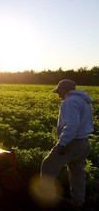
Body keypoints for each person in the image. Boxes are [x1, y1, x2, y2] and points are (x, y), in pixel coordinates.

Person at [40, 79, 93, 209]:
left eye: (59, 91)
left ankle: (47, 198)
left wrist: (62, 143)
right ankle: (78, 202)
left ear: (64, 89)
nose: (58, 95)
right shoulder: (85, 101)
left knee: (48, 166)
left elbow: (72, 124)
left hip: (71, 143)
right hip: (84, 143)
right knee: (77, 174)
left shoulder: (70, 101)